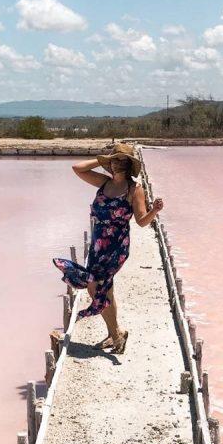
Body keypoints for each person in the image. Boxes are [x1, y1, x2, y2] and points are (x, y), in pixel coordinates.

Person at [51, 142, 164, 354]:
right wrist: (104, 158)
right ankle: (116, 334)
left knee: (97, 287)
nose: (117, 164)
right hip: (98, 244)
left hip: (116, 245)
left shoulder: (134, 189)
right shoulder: (104, 182)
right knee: (105, 289)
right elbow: (77, 168)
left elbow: (140, 221)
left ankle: (116, 334)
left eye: (122, 160)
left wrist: (154, 211)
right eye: (114, 160)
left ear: (129, 165)